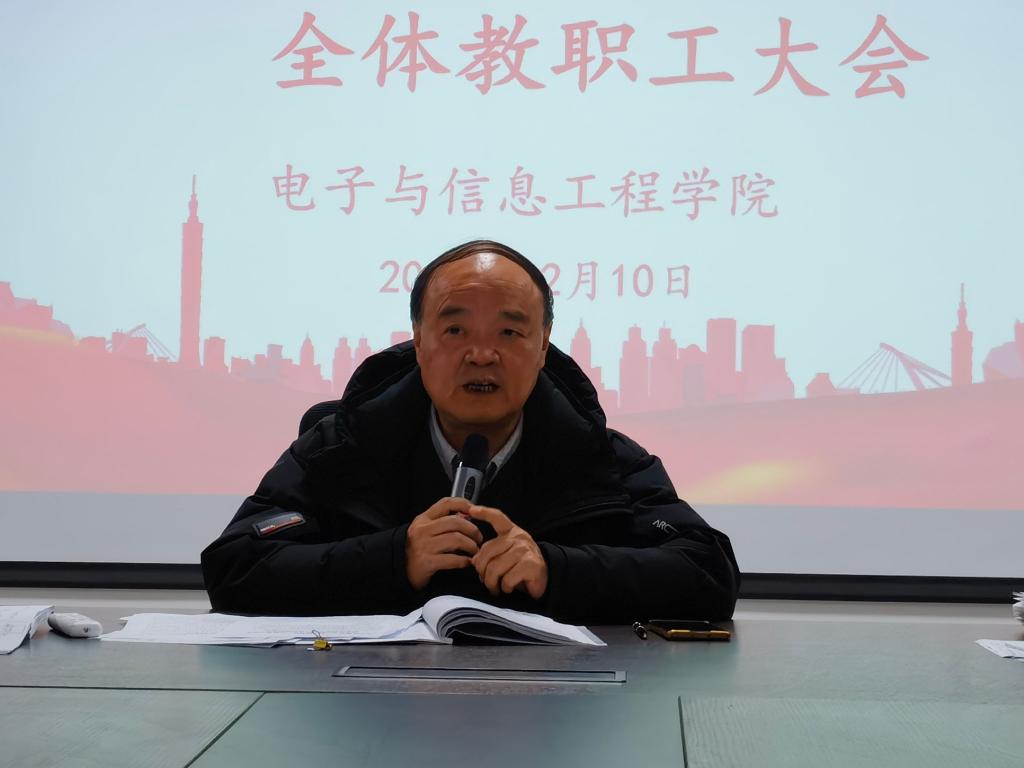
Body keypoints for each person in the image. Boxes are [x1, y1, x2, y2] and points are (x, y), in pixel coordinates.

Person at [201, 240, 739, 622]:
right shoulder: (340, 445)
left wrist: (555, 569)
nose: (482, 354)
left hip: (551, 711)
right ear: (419, 341)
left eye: (509, 332)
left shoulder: (599, 455)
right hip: (369, 708)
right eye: (455, 329)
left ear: (543, 346)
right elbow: (234, 567)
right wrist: (394, 558)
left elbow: (707, 572)